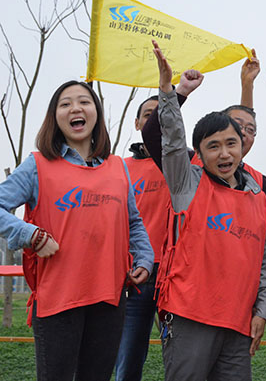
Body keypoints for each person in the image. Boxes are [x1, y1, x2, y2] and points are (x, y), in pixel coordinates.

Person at [0, 80, 153, 381]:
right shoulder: (38, 165)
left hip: (109, 299)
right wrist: (31, 235)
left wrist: (145, 258)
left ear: (96, 112)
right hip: (58, 300)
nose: (75, 108)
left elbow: (133, 221)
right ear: (54, 116)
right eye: (65, 103)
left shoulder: (117, 167)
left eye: (84, 101)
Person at [152, 41, 266, 381]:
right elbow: (172, 140)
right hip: (189, 316)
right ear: (199, 153)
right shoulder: (186, 184)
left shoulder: (258, 195)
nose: (224, 153)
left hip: (237, 322)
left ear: (242, 146)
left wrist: (263, 309)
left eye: (231, 143)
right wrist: (168, 90)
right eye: (213, 146)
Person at [141, 49, 266, 247]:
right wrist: (178, 92)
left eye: (250, 130)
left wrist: (247, 84)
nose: (243, 132)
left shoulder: (258, 184)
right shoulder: (188, 170)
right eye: (237, 126)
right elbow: (154, 135)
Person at [115, 95, 171, 381]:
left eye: (161, 114)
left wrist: (246, 86)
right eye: (149, 115)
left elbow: (234, 142)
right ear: (137, 123)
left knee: (182, 358)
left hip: (173, 276)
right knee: (128, 357)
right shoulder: (119, 168)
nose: (155, 120)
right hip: (135, 276)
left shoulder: (183, 163)